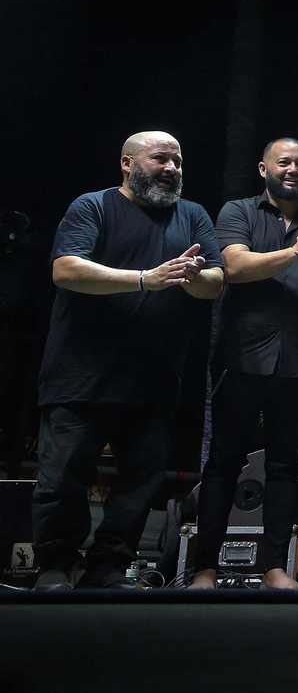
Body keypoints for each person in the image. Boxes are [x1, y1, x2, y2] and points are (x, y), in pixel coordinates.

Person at [33, 132, 224, 589]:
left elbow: (215, 282)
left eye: (178, 161)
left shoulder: (192, 215)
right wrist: (144, 279)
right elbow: (65, 269)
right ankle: (55, 566)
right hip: (81, 374)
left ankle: (108, 567)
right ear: (127, 163)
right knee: (62, 477)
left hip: (154, 379)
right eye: (160, 159)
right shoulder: (94, 206)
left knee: (141, 482)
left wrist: (192, 276)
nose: (172, 168)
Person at [189, 138, 298, 590]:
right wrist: (296, 251)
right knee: (223, 463)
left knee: (285, 467)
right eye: (284, 162)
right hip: (240, 357)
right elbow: (235, 268)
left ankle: (275, 570)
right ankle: (204, 569)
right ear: (264, 170)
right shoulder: (238, 211)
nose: (293, 169)